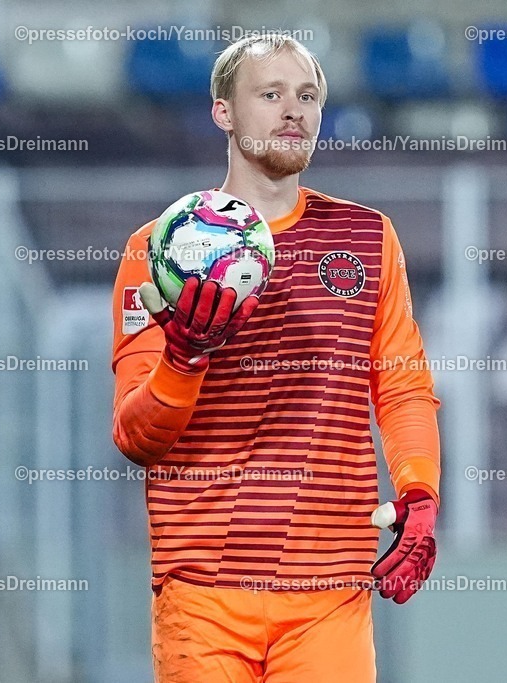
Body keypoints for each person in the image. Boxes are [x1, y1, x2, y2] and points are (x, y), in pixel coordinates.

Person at [111, 33, 441, 683]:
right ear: (223, 112)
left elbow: (402, 385)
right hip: (202, 589)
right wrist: (184, 358)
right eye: (270, 94)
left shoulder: (367, 237)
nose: (294, 110)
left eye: (308, 96)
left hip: (330, 590)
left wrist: (420, 491)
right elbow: (135, 438)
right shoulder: (159, 250)